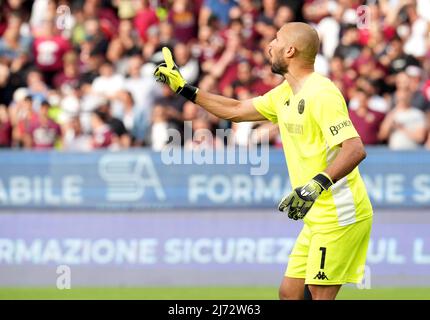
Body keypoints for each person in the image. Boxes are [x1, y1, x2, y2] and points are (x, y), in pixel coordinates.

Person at [154, 22, 373, 300]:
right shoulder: (285, 93)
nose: (270, 44)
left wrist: (317, 184)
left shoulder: (322, 93)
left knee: (318, 296)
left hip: (341, 214)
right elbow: (235, 109)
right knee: (289, 294)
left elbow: (355, 149)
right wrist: (186, 90)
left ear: (290, 50)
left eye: (277, 39)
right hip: (317, 216)